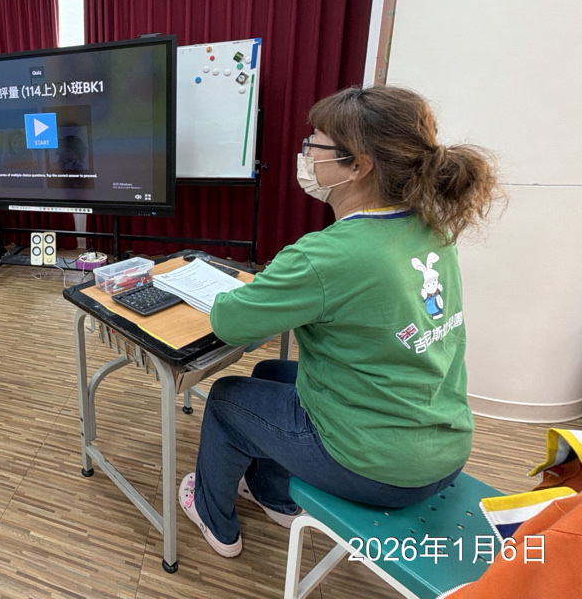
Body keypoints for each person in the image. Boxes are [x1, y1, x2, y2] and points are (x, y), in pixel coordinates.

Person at [178, 85, 503, 557]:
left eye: (315, 144)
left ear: (359, 165)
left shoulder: (328, 255)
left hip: (380, 467)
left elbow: (230, 322)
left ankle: (213, 517)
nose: (306, 154)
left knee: (228, 398)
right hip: (442, 444)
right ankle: (273, 495)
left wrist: (257, 291)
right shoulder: (430, 227)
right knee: (270, 373)